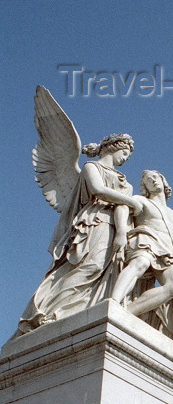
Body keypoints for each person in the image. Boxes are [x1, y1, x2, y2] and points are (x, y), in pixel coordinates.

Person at [16, 133, 141, 334]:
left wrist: (122, 234)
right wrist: (131, 201)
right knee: (90, 266)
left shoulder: (125, 182)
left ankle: (75, 311)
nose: (125, 158)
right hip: (94, 222)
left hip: (115, 227)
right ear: (112, 148)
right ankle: (50, 310)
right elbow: (98, 190)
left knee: (103, 272)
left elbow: (122, 209)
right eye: (124, 153)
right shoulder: (91, 167)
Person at [111, 169, 173, 346]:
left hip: (168, 253)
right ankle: (114, 302)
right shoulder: (142, 201)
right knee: (140, 263)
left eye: (155, 178)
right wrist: (121, 231)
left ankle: (128, 311)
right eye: (148, 180)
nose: (153, 181)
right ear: (145, 187)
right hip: (145, 239)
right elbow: (122, 206)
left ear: (164, 182)